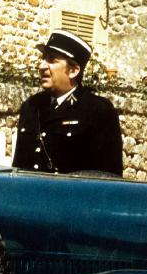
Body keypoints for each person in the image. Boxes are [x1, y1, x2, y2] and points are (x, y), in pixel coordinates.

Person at [12, 29, 123, 176]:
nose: (42, 66)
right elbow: (18, 166)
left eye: (52, 60)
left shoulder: (98, 110)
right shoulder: (31, 106)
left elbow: (110, 176)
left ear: (73, 71)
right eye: (43, 58)